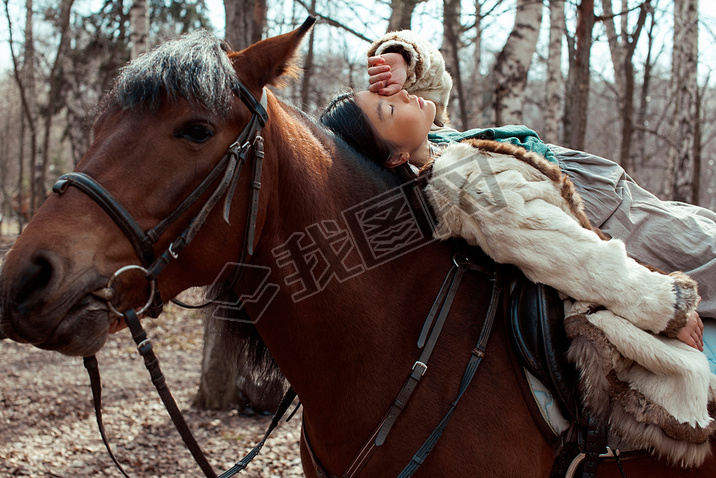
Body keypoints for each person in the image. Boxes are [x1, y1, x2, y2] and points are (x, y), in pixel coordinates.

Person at [319, 30, 709, 353]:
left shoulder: (432, 142)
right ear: (395, 159)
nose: (403, 96)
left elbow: (434, 85)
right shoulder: (459, 184)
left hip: (626, 202)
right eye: (387, 108)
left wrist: (400, 57)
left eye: (392, 92)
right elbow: (566, 252)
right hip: (618, 225)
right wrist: (663, 308)